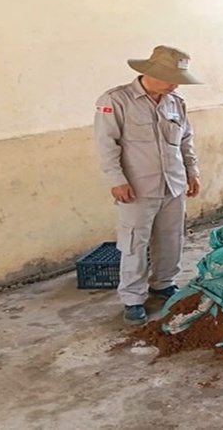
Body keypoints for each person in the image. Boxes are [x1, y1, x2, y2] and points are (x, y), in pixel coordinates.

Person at [94, 45, 203, 325]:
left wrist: (192, 172)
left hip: (173, 184)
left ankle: (163, 283)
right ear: (149, 72)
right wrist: (117, 180)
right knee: (134, 243)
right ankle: (132, 298)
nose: (175, 84)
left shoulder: (175, 102)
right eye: (169, 77)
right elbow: (106, 144)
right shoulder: (116, 100)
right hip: (137, 188)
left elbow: (185, 141)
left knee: (170, 238)